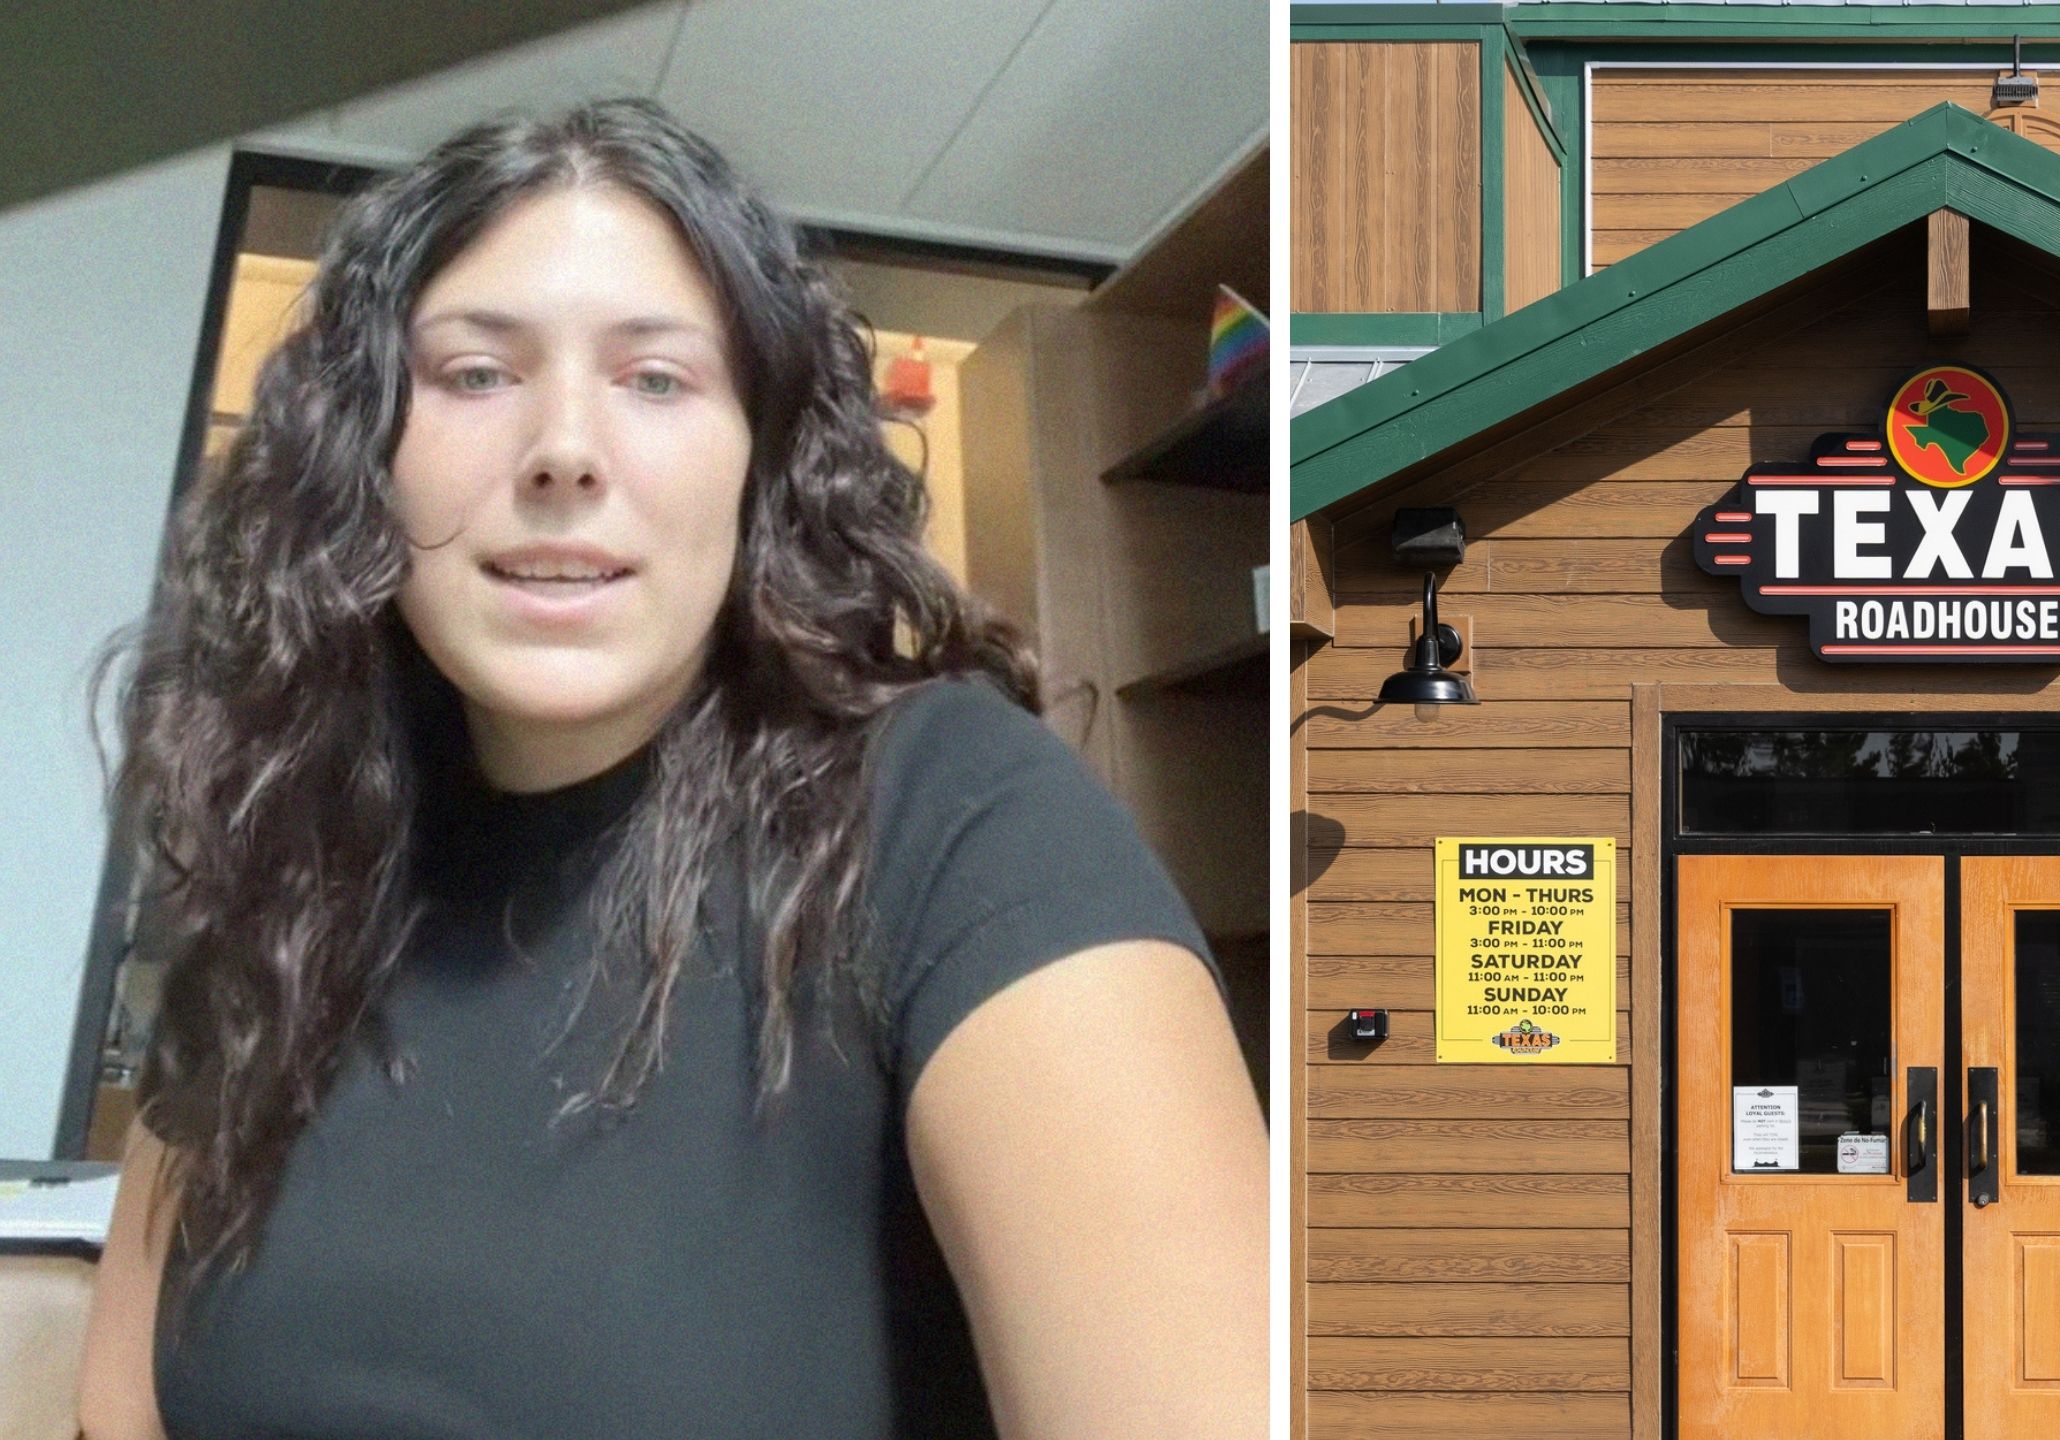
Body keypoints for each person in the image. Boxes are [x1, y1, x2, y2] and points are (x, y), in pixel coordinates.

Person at [74, 98, 1266, 1440]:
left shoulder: (960, 820)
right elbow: (123, 1404)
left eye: (656, 378)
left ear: (760, 461)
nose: (564, 451)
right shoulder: (290, 863)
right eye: (476, 373)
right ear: (365, 451)